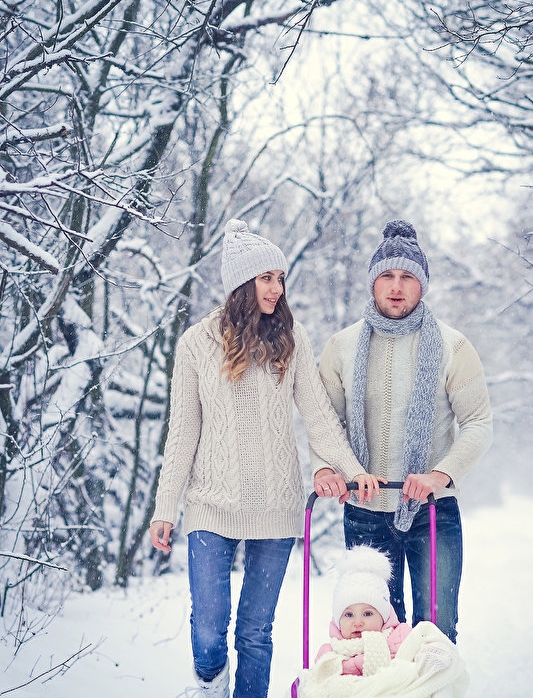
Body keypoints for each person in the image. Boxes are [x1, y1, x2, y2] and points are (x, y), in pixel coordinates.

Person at [149, 218, 367, 698]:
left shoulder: (291, 337)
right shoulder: (196, 343)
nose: (276, 289)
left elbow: (319, 415)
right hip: (210, 504)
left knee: (255, 632)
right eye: (266, 278)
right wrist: (165, 508)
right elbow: (182, 433)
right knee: (209, 628)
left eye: (280, 278)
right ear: (241, 283)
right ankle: (211, 686)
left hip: (275, 505)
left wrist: (353, 471)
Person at [312, 219, 492, 643]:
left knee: (436, 633)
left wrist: (438, 475)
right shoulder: (341, 346)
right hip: (365, 510)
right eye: (387, 276)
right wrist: (325, 469)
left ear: (422, 284)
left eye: (407, 277)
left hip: (433, 509)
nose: (396, 287)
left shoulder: (453, 346)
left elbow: (479, 424)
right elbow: (325, 423)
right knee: (372, 637)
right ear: (373, 282)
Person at [313, 546, 412, 678]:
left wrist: (357, 663)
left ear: (383, 617)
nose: (358, 622)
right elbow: (319, 679)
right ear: (338, 621)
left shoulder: (400, 638)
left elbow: (407, 668)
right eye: (349, 615)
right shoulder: (329, 654)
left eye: (367, 614)